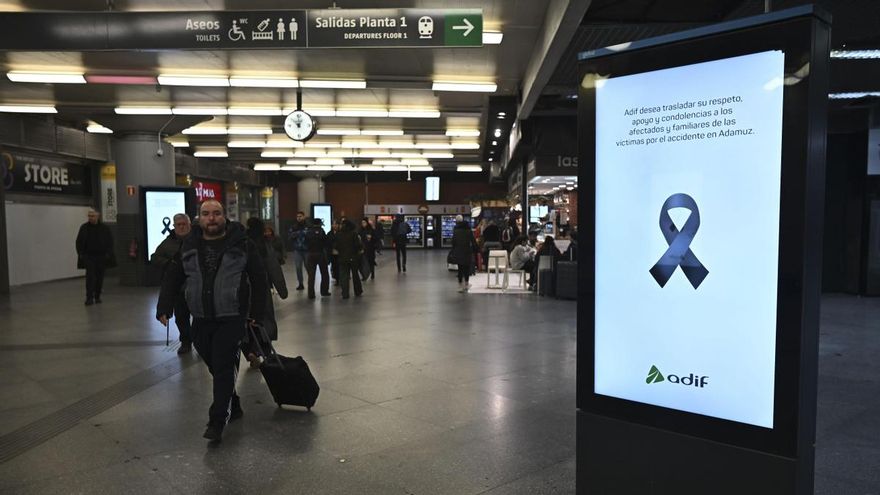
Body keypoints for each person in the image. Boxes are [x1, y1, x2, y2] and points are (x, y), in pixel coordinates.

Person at [156, 200, 267, 442]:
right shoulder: (189, 244)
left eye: (217, 213)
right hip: (201, 317)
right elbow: (173, 275)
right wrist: (164, 306)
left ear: (224, 216)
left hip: (232, 316)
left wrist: (258, 314)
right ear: (200, 218)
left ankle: (217, 420)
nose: (212, 218)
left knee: (224, 364)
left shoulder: (241, 243)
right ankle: (233, 402)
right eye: (206, 214)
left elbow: (259, 278)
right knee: (215, 366)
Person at [245, 218, 288, 368]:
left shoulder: (242, 243)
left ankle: (251, 350)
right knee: (265, 320)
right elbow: (273, 267)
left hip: (244, 290)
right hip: (262, 289)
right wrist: (282, 290)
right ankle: (262, 350)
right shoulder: (263, 245)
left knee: (248, 321)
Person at [150, 213, 193, 354]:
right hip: (178, 288)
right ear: (174, 226)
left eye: (184, 224)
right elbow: (155, 258)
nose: (181, 227)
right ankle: (186, 341)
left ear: (189, 225)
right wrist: (169, 264)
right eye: (178, 225)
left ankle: (200, 340)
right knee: (181, 317)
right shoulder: (167, 243)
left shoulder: (196, 240)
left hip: (196, 287)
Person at [75, 209, 115, 306]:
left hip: (101, 256)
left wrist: (108, 254)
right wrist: (81, 254)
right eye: (89, 216)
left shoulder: (104, 229)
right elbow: (79, 241)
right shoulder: (84, 228)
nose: (91, 218)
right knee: (90, 277)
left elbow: (110, 242)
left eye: (93, 216)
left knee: (99, 277)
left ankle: (97, 296)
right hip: (89, 256)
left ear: (98, 216)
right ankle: (89, 297)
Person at [334, 219, 364, 299]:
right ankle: (358, 291)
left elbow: (336, 246)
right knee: (355, 275)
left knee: (344, 276)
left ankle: (345, 293)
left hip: (342, 258)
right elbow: (358, 245)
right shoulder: (354, 234)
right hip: (353, 258)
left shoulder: (338, 234)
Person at [450, 215, 478, 293]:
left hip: (458, 251)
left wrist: (453, 250)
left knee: (460, 269)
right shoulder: (469, 231)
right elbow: (473, 241)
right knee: (466, 269)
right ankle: (466, 284)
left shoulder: (456, 231)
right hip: (467, 251)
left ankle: (459, 286)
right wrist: (477, 249)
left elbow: (453, 242)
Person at [304, 218, 330, 299]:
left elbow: (305, 242)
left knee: (311, 275)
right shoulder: (322, 231)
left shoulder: (308, 232)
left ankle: (311, 294)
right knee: (324, 273)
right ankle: (324, 291)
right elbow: (326, 242)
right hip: (320, 254)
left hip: (310, 254)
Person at [289, 212, 307, 291]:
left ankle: (311, 282)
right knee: (298, 267)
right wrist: (300, 233)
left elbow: (310, 234)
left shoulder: (308, 226)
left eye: (300, 216)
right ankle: (300, 283)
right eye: (297, 216)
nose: (299, 218)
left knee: (309, 267)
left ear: (304, 217)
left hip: (307, 250)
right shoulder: (294, 226)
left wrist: (297, 233)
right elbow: (290, 236)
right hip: (297, 250)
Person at [326, 220, 340, 284]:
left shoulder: (341, 233)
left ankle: (340, 279)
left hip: (340, 253)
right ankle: (337, 279)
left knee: (339, 266)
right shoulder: (329, 233)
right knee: (334, 266)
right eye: (333, 224)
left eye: (336, 224)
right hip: (332, 253)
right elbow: (327, 243)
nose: (334, 225)